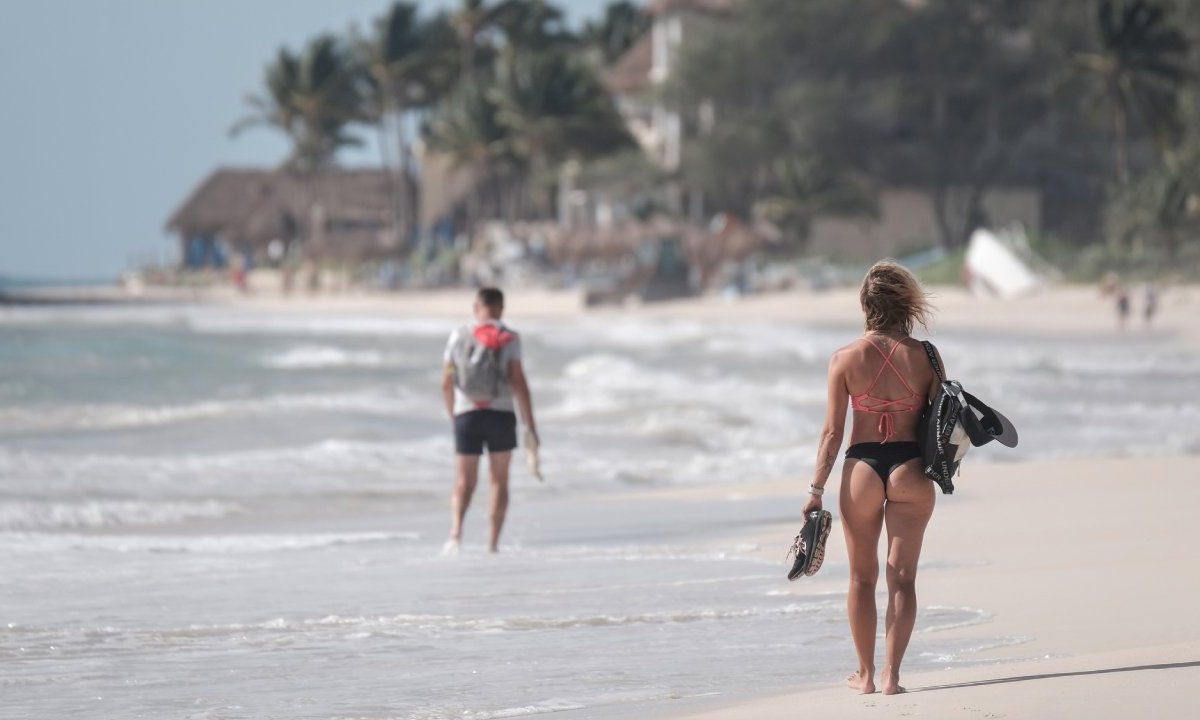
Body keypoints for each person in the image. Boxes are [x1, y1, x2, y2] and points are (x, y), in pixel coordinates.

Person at [801, 261, 943, 696]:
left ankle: (863, 675)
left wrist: (816, 490)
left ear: (865, 305)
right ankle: (892, 677)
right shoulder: (927, 356)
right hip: (911, 468)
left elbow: (831, 433)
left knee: (861, 579)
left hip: (861, 469)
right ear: (905, 303)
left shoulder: (844, 359)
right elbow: (940, 424)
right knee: (903, 578)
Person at [441, 287, 538, 554]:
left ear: (476, 307)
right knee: (499, 480)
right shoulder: (510, 337)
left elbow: (446, 381)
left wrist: (455, 416)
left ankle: (456, 534)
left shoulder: (458, 336)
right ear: (501, 308)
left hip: (466, 415)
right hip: (501, 414)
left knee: (464, 481)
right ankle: (492, 544)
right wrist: (530, 424)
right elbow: (518, 381)